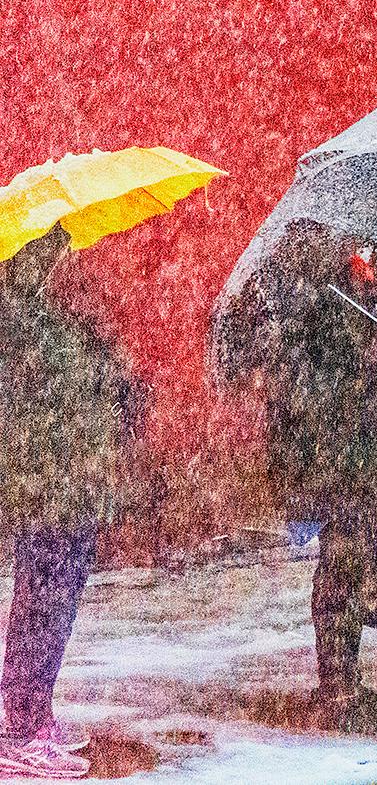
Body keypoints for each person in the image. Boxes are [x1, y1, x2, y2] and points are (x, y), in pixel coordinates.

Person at [237, 226, 377, 735]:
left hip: (368, 462)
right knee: (343, 564)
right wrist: (362, 376)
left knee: (353, 564)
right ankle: (336, 683)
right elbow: (304, 392)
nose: (376, 266)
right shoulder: (313, 310)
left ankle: (343, 677)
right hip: (338, 464)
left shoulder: (360, 305)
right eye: (369, 256)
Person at [0, 227, 136, 780]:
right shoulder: (18, 322)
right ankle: (20, 729)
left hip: (69, 487)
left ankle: (34, 713)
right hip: (50, 490)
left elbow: (77, 392)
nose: (64, 259)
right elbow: (44, 404)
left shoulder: (40, 316)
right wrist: (99, 375)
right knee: (43, 609)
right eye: (52, 250)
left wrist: (105, 371)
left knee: (51, 607)